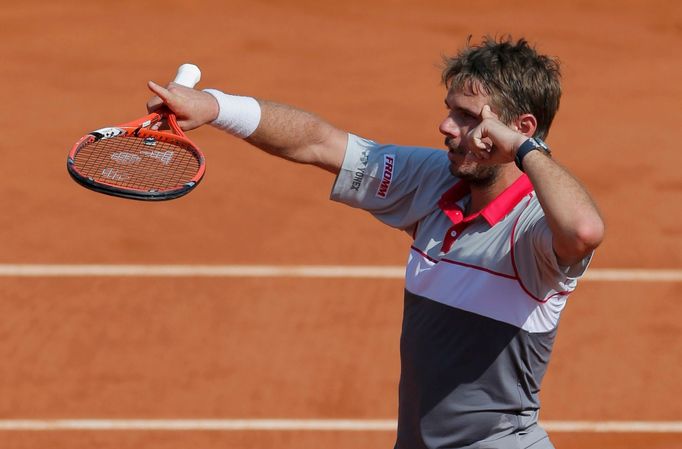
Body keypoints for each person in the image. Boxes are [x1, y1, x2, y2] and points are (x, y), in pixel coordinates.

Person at [147, 36, 605, 449]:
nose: (446, 126)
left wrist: (524, 150)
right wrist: (215, 106)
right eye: (450, 109)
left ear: (520, 128)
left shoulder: (535, 226)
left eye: (466, 118)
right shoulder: (434, 179)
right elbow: (320, 144)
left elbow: (583, 231)